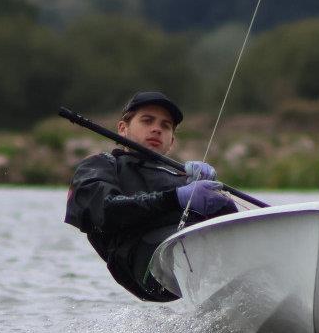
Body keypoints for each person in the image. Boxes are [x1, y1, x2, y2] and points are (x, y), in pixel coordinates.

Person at [64, 91, 237, 302]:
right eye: (147, 121)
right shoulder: (101, 165)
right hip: (145, 264)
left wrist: (217, 200)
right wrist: (176, 198)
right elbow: (105, 211)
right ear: (122, 128)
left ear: (171, 141)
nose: (157, 128)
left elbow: (228, 223)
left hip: (195, 256)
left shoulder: (182, 178)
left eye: (165, 126)